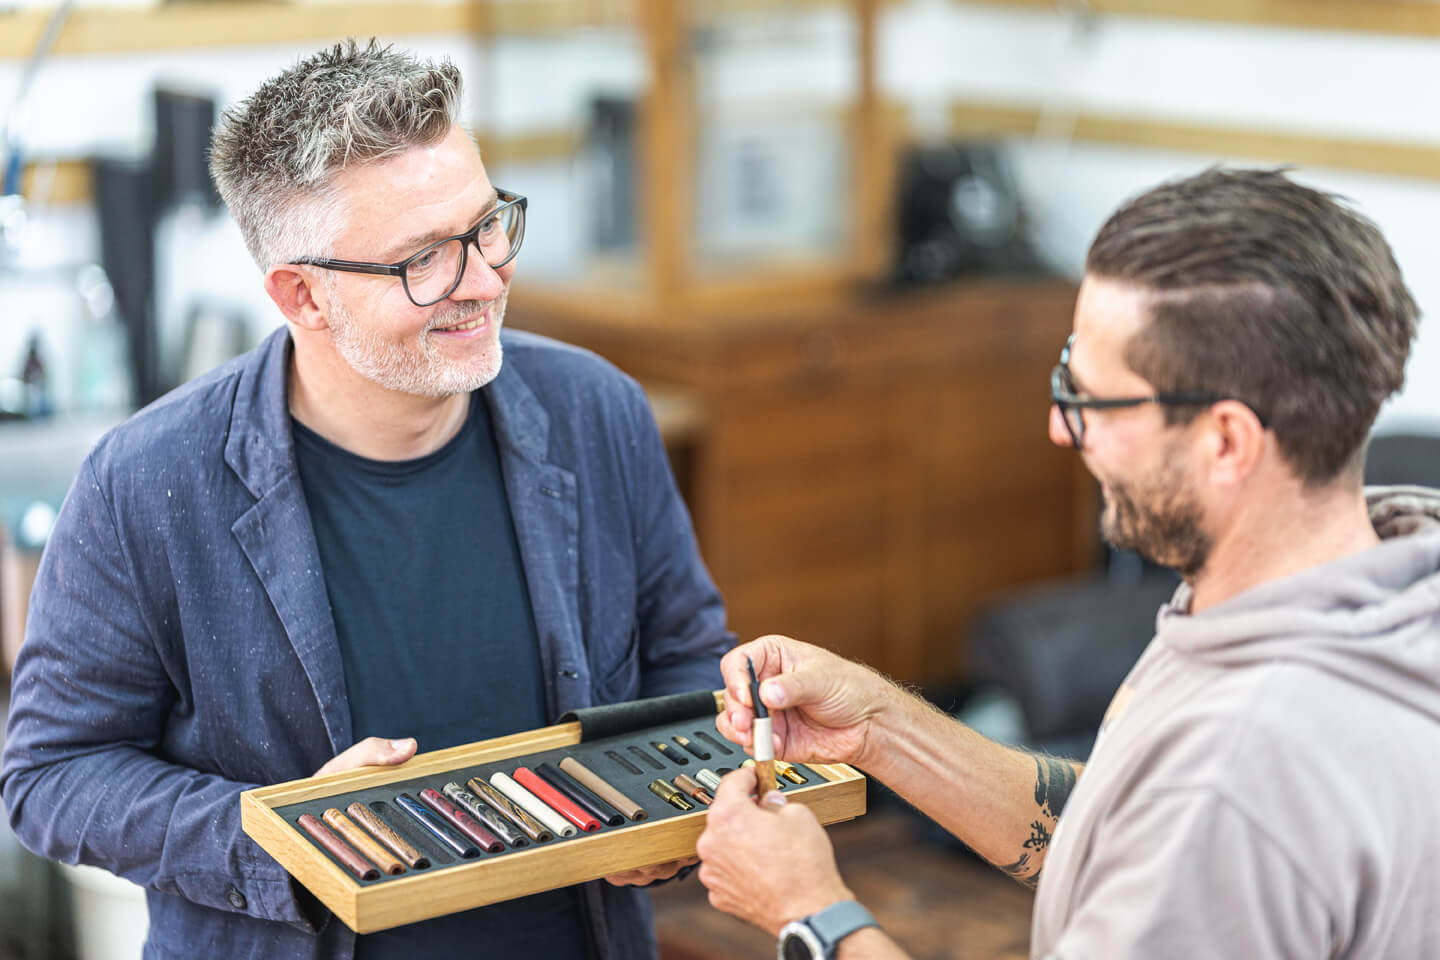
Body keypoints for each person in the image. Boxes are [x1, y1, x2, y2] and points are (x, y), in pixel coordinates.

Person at [1, 40, 732, 960]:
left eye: (488, 225)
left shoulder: (597, 411)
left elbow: (688, 655)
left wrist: (664, 809)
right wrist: (289, 834)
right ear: (301, 294)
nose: (483, 281)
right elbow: (53, 779)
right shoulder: (144, 482)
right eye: (423, 259)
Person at [695, 167, 1440, 959]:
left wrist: (810, 912)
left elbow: (1191, 825)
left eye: (1088, 399)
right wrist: (880, 725)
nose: (1059, 427)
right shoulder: (1378, 588)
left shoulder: (1236, 771)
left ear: (1226, 441)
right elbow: (1130, 840)